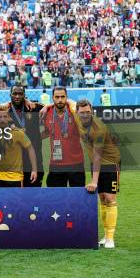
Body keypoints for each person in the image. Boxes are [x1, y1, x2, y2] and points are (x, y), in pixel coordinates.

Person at [76, 99, 120, 248]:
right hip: (96, 163)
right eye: (82, 112)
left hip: (110, 163)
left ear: (92, 111)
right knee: (101, 199)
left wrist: (94, 182)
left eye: (88, 112)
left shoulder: (99, 128)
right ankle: (105, 236)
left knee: (110, 198)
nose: (85, 115)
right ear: (77, 112)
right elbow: (69, 102)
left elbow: (97, 156)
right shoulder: (78, 118)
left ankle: (110, 238)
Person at [40, 87, 85, 187]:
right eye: (57, 97)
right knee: (56, 200)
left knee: (77, 200)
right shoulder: (46, 113)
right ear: (52, 98)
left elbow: (85, 108)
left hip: (76, 164)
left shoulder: (74, 111)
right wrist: (34, 138)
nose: (60, 100)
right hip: (56, 164)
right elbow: (48, 131)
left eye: (62, 97)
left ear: (67, 97)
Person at [8, 84, 44, 187]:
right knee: (15, 197)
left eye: (20, 94)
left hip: (34, 160)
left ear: (24, 95)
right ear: (10, 95)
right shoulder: (5, 112)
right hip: (14, 162)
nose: (17, 96)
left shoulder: (34, 108)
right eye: (15, 94)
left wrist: (46, 107)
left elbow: (56, 106)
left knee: (34, 195)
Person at [0, 106, 38, 187]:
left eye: (5, 116)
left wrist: (34, 170)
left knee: (15, 199)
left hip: (15, 177)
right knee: (0, 200)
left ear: (9, 118)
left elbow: (30, 148)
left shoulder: (17, 133)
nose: (2, 120)